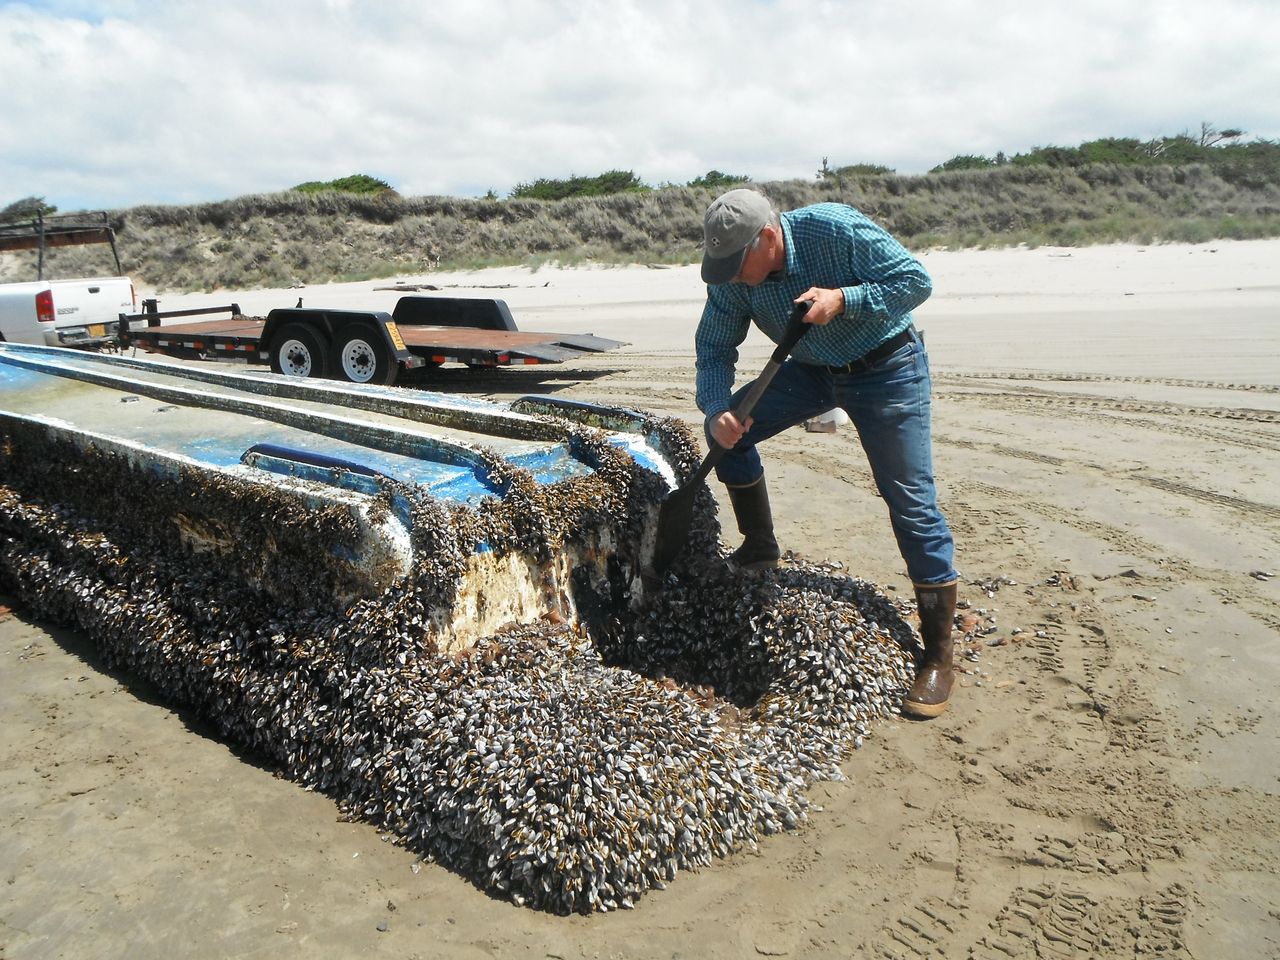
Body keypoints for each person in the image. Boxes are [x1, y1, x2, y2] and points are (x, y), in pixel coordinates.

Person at [696, 188, 959, 718]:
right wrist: (716, 407)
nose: (729, 276)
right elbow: (715, 347)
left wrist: (845, 299)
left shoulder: (835, 230)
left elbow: (915, 282)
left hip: (887, 367)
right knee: (729, 434)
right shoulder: (732, 280)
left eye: (736, 263)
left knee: (909, 498)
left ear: (767, 237)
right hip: (809, 373)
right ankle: (759, 544)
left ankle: (937, 654)